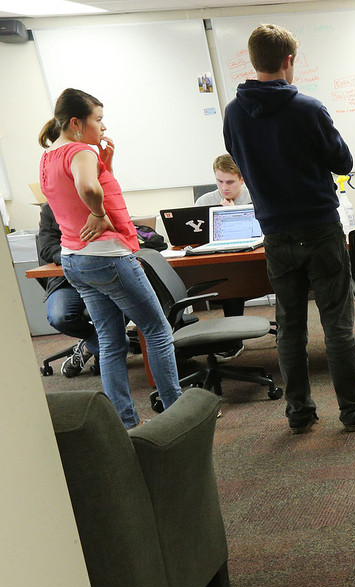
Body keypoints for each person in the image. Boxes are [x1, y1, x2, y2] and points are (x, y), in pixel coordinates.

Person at [223, 23, 355, 433]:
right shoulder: (308, 108)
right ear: (288, 61)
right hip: (319, 228)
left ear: (252, 61)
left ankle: (298, 411)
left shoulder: (233, 113)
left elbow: (239, 159)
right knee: (336, 323)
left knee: (290, 325)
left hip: (276, 235)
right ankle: (353, 408)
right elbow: (343, 162)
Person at [38, 88, 182, 428]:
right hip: (106, 257)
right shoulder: (80, 151)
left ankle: (126, 423)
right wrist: (100, 213)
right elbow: (88, 189)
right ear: (76, 123)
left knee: (110, 340)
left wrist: (106, 166)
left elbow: (80, 189)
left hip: (75, 260)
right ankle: (178, 414)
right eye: (98, 120)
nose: (103, 127)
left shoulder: (49, 156)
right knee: (157, 329)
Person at [37, 202, 100, 377]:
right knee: (60, 317)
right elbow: (47, 248)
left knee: (127, 303)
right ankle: (95, 342)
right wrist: (74, 257)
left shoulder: (100, 199)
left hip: (102, 273)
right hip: (66, 279)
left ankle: (91, 347)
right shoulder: (52, 208)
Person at [195, 154, 253, 322]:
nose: (224, 187)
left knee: (234, 282)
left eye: (230, 182)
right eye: (219, 181)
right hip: (219, 264)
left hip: (249, 262)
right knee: (230, 282)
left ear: (242, 180)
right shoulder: (204, 201)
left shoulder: (255, 198)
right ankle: (234, 337)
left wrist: (230, 214)